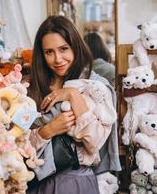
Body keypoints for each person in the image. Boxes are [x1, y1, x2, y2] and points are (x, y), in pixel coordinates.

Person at [27, 15, 121, 194]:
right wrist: (47, 131)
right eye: (49, 52)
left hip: (78, 183)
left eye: (64, 49)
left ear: (75, 47)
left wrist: (73, 94)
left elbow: (94, 143)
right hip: (36, 184)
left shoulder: (95, 87)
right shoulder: (31, 87)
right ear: (41, 54)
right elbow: (14, 144)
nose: (57, 59)